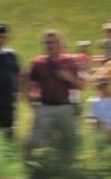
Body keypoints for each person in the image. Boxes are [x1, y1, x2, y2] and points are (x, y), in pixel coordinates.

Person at [26, 29, 81, 162]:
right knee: (36, 141)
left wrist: (68, 78)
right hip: (45, 107)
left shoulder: (69, 61)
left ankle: (69, 166)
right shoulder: (38, 63)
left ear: (59, 44)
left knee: (69, 140)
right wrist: (31, 101)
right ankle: (36, 165)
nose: (50, 45)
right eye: (47, 43)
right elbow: (31, 84)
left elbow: (80, 85)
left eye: (53, 42)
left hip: (65, 107)